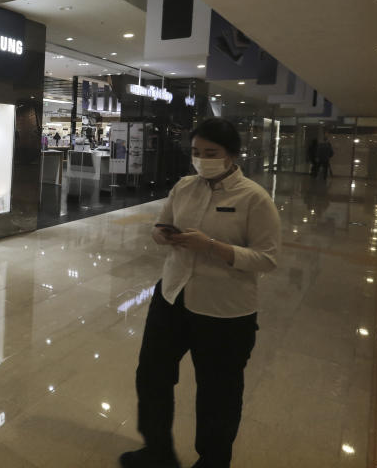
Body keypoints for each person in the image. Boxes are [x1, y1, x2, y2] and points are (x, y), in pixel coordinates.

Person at [120, 118, 280, 468]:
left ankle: (213, 460)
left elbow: (267, 259)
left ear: (231, 155)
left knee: (218, 393)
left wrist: (210, 246)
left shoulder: (254, 197)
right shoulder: (184, 187)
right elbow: (160, 225)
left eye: (211, 153)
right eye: (196, 152)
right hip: (172, 296)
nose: (202, 159)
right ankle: (157, 449)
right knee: (152, 375)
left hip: (224, 310)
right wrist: (161, 235)